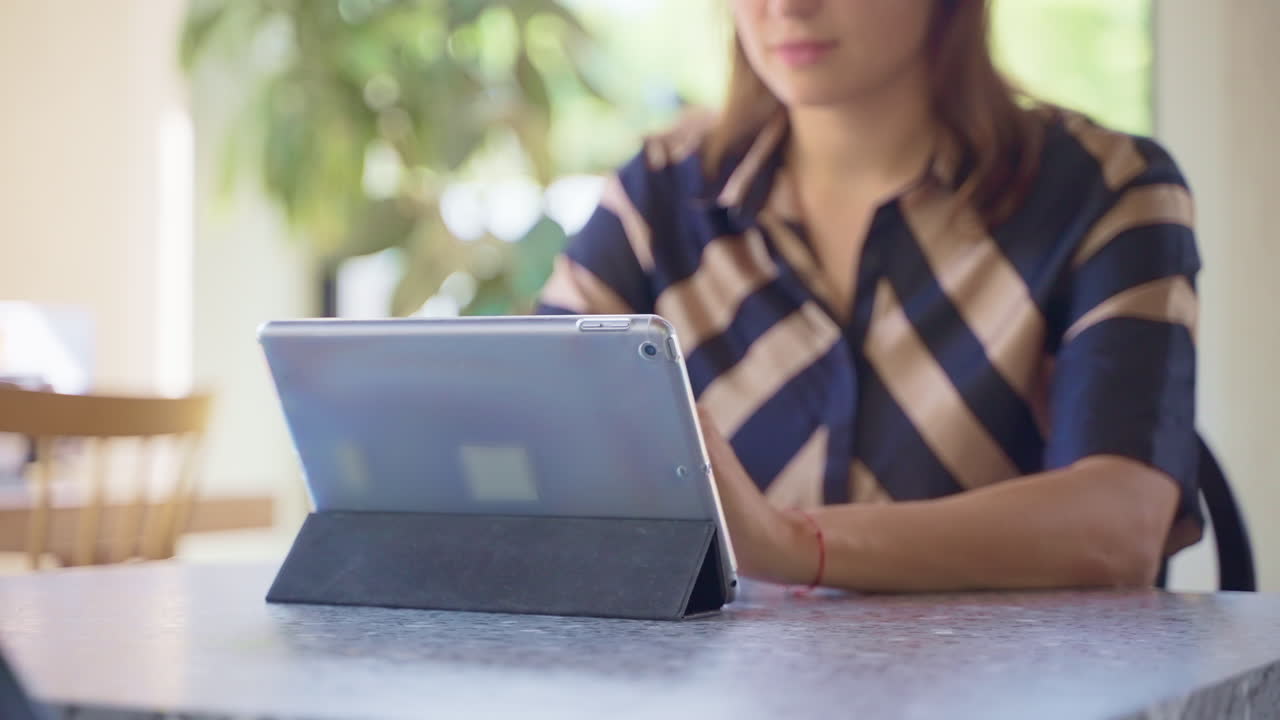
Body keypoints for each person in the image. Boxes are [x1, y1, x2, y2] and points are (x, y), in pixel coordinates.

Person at [537, 0, 1202, 592]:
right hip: (713, 677)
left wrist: (793, 543)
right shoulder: (657, 198)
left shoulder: (1104, 192)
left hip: (1005, 677)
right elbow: (526, 432)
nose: (788, 6)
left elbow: (1122, 525)